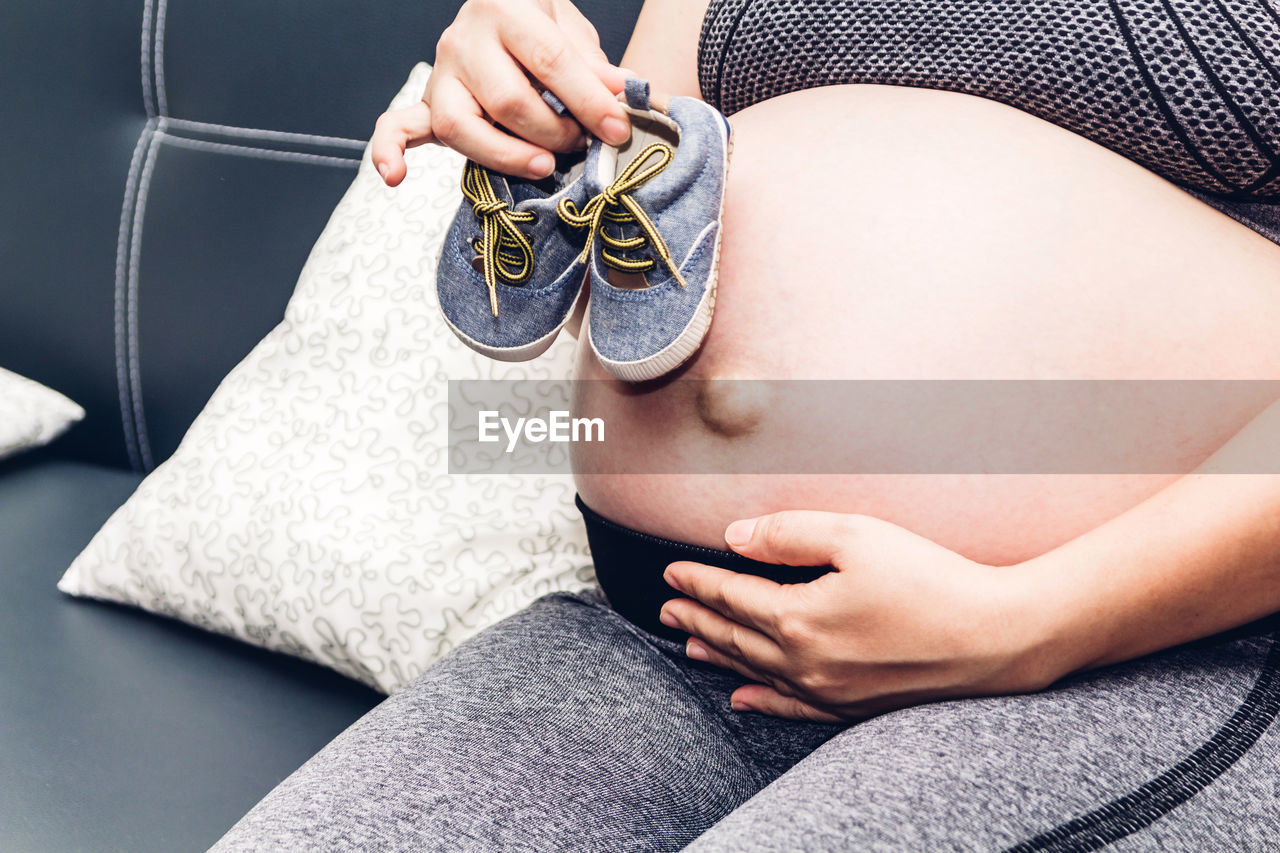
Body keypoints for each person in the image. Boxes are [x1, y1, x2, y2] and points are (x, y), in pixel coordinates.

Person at [215, 0, 1280, 849]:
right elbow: (644, 174)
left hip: (1136, 651)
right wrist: (532, 106)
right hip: (669, 628)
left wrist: (1032, 624)